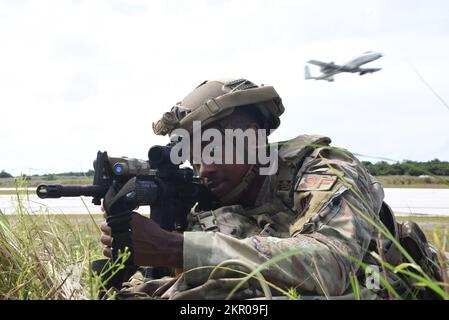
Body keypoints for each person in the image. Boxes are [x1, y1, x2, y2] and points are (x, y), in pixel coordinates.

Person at [99, 78, 444, 300]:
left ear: (251, 137)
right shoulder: (211, 199)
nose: (205, 167)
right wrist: (135, 259)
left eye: (214, 147)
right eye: (193, 154)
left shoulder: (322, 168)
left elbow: (332, 265)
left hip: (387, 286)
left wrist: (176, 248)